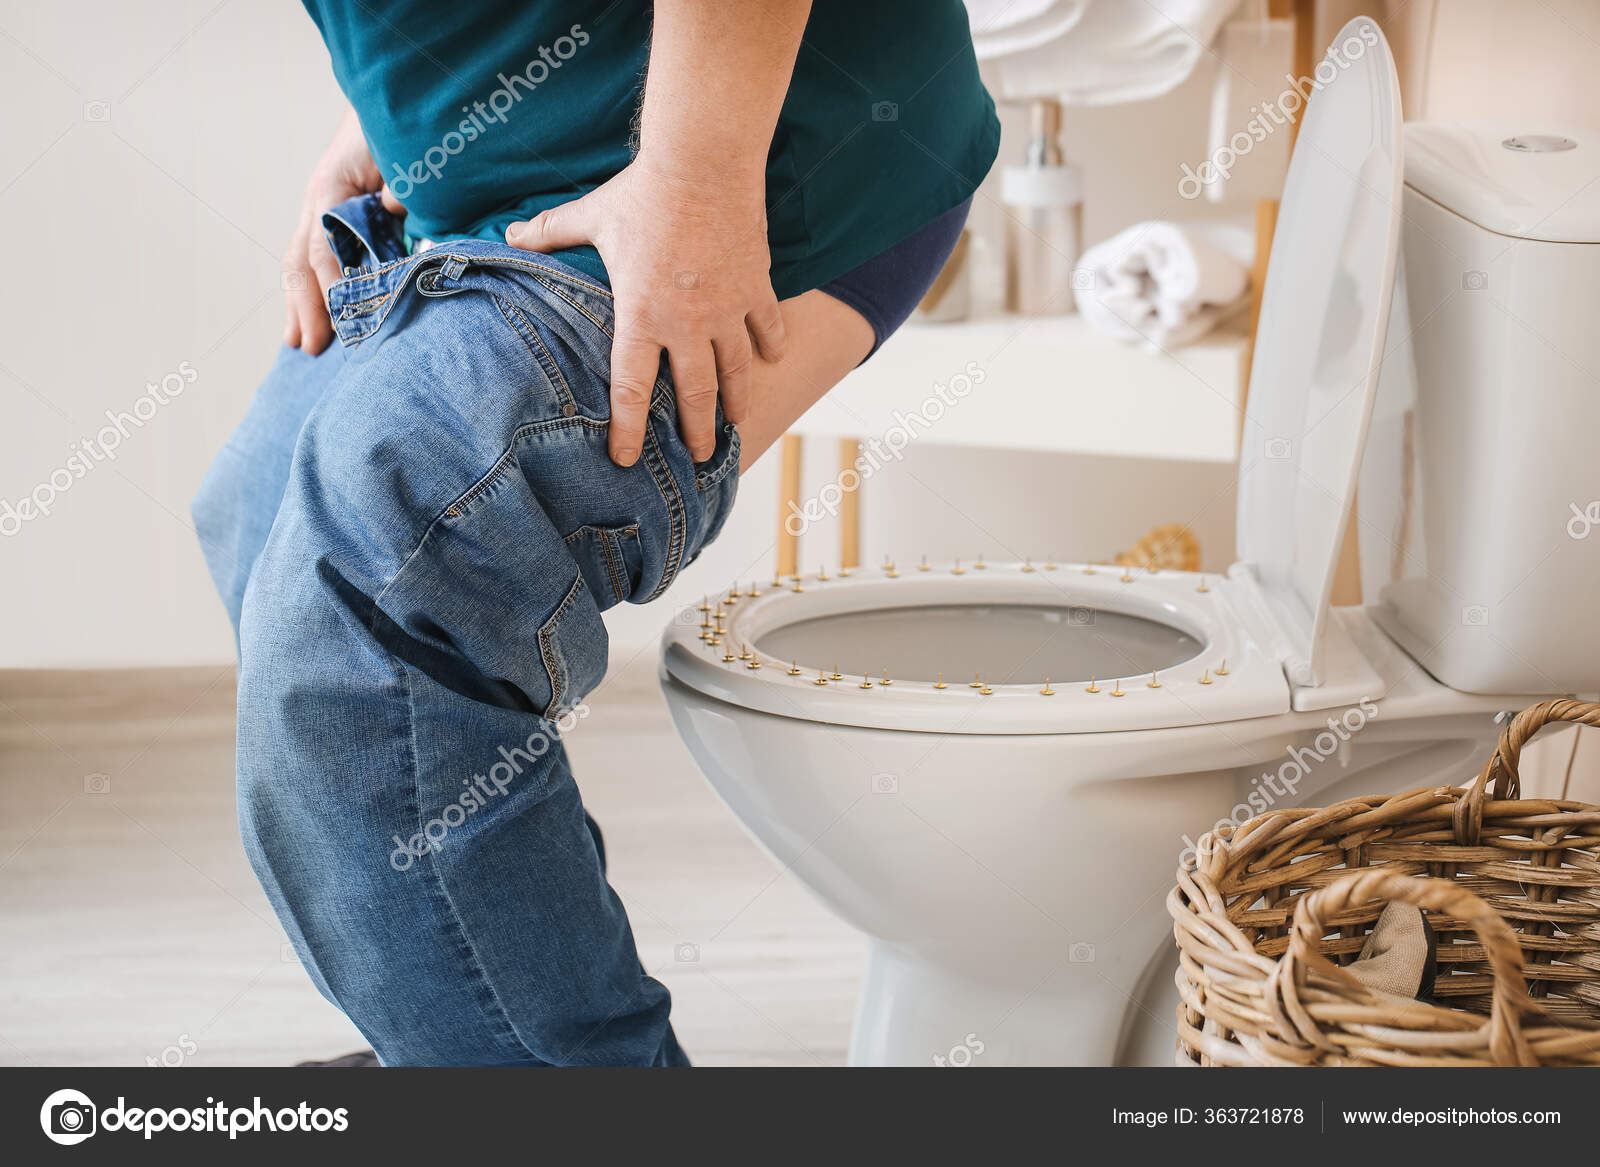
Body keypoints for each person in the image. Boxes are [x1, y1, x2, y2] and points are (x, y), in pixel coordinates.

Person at [192, 0, 997, 1066]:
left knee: (381, 555)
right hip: (484, 180)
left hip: (741, 157)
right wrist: (388, 111)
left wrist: (697, 183)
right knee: (254, 513)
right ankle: (473, 1047)